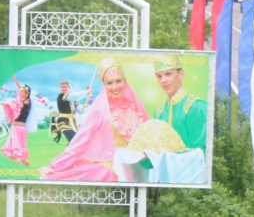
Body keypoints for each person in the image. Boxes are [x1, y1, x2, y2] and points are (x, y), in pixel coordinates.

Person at [42, 57, 184, 183]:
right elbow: (80, 142)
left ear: (125, 81)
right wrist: (57, 166)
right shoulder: (100, 110)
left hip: (140, 170)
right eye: (109, 83)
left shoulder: (134, 108)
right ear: (104, 85)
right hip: (113, 170)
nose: (115, 87)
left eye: (118, 81)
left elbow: (149, 136)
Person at [151, 53, 209, 184]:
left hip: (191, 182)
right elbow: (153, 159)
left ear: (181, 74)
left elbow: (202, 152)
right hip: (162, 186)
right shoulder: (159, 113)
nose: (163, 80)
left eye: (168, 74)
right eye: (159, 76)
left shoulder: (196, 107)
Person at [0, 82, 32, 165]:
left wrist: (2, 103)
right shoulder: (25, 101)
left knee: (14, 147)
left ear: (26, 94)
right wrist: (14, 79)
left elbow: (14, 103)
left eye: (21, 92)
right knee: (18, 146)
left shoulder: (25, 102)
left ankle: (18, 163)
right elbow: (19, 94)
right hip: (21, 128)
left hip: (17, 128)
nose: (19, 93)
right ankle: (22, 162)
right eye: (20, 91)